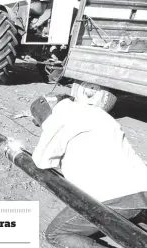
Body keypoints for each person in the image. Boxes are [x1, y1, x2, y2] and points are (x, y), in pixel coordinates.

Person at [30, 92, 147, 248]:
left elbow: (41, 160)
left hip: (114, 196)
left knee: (56, 234)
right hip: (141, 187)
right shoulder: (96, 111)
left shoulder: (59, 117)